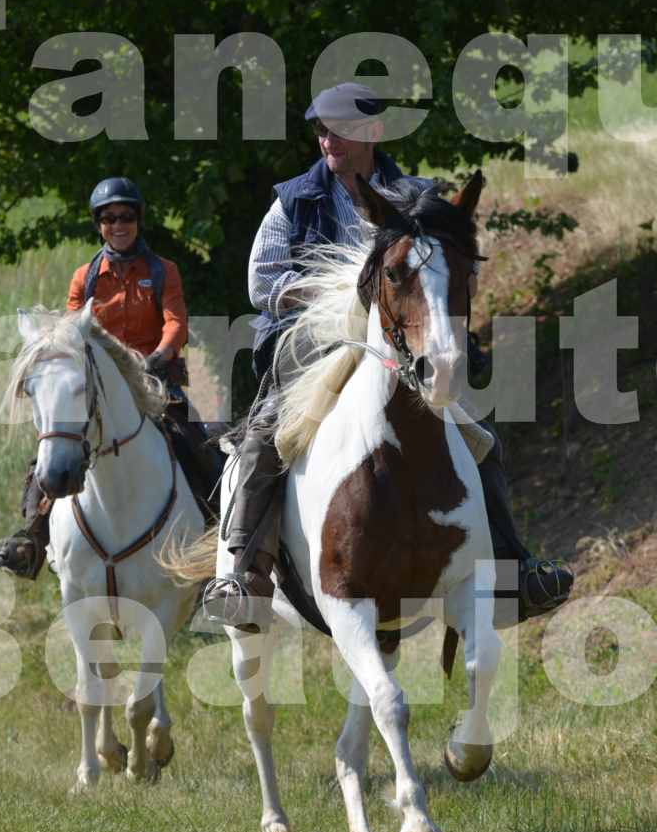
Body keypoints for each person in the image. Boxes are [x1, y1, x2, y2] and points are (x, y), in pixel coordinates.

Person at [203, 82, 573, 631]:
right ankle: (242, 574)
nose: (327, 140)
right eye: (322, 131)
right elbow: (262, 282)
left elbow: (452, 266)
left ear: (372, 133)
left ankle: (512, 572)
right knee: (262, 440)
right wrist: (334, 298)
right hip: (313, 344)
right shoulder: (292, 201)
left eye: (340, 131)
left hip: (397, 346)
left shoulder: (415, 197)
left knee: (481, 440)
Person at [0, 176, 213, 579]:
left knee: (198, 445)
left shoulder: (164, 271)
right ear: (99, 224)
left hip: (156, 382)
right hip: (102, 385)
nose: (118, 225)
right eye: (108, 218)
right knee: (53, 449)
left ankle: (217, 540)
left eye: (126, 216)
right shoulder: (86, 276)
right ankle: (32, 536)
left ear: (138, 220)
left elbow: (175, 322)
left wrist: (157, 358)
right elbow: (70, 329)